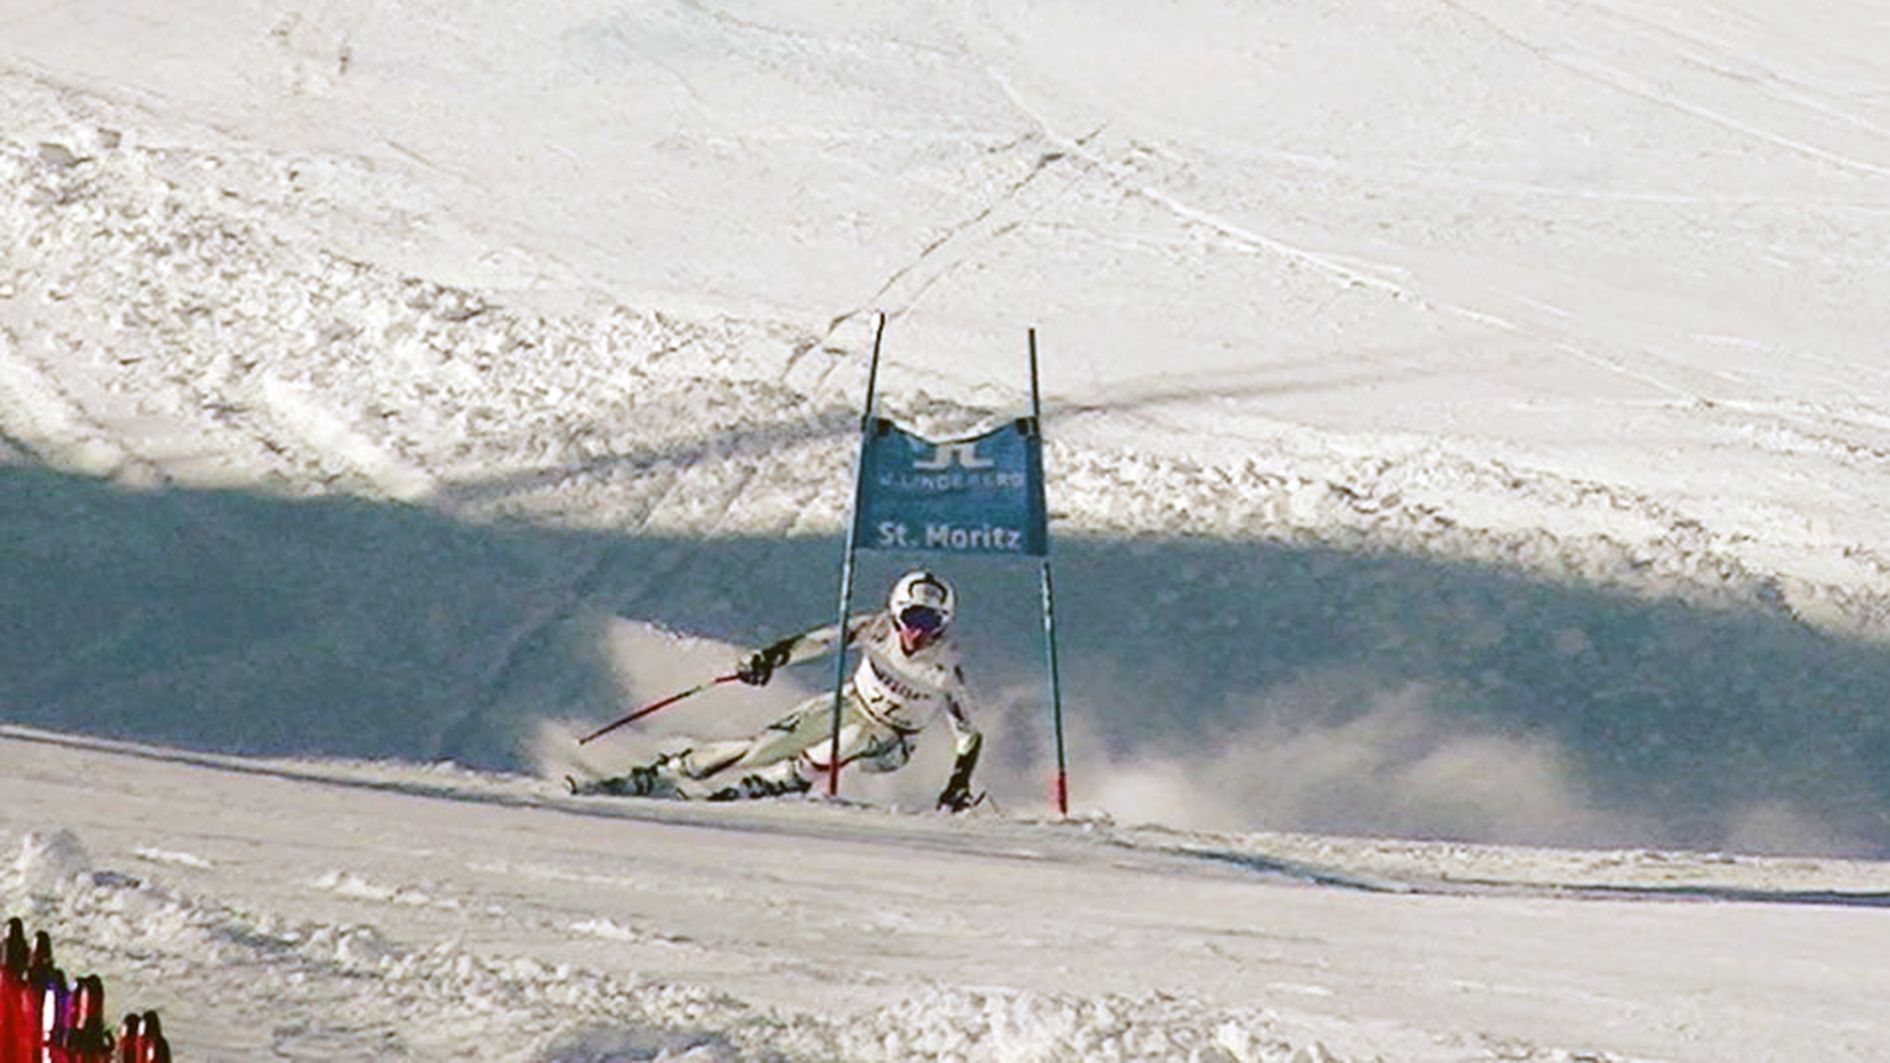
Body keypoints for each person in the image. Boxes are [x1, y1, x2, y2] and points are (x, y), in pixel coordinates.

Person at [571, 570, 984, 810]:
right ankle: (656, 776)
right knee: (759, 748)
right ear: (896, 612)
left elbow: (968, 733)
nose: (917, 631)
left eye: (930, 622)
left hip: (893, 741)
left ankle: (767, 787)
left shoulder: (945, 667)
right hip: (849, 704)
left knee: (855, 737)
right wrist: (770, 657)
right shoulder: (875, 628)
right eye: (912, 617)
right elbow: (821, 641)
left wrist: (957, 783)